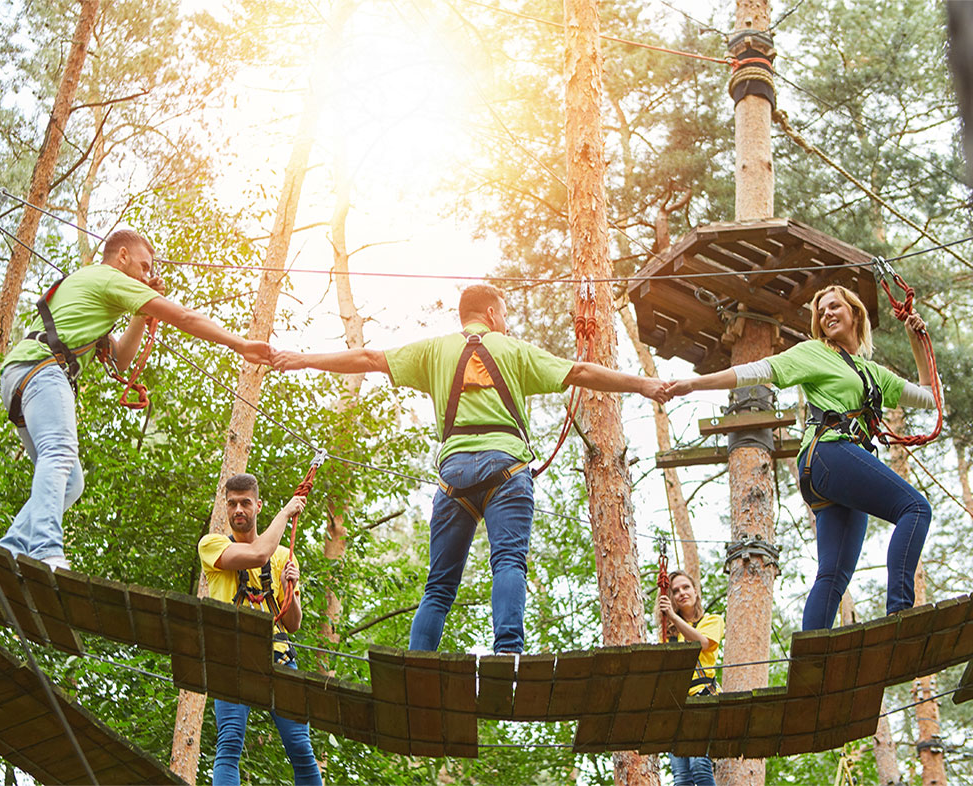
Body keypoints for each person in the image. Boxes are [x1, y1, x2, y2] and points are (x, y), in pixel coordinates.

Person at [273, 283, 669, 653]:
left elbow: (369, 358)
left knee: (439, 587)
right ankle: (508, 653)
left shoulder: (434, 350)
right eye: (506, 317)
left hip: (453, 476)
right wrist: (643, 385)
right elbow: (580, 372)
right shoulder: (514, 350)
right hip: (507, 470)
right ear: (493, 314)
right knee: (508, 562)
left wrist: (300, 359)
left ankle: (417, 663)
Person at [0, 230, 273, 569]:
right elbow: (184, 317)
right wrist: (240, 344)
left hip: (22, 375)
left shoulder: (93, 288)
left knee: (71, 482)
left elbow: (121, 358)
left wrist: (140, 315)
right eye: (144, 267)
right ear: (122, 256)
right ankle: (44, 548)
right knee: (60, 452)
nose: (147, 276)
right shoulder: (109, 276)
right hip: (42, 370)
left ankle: (11, 547)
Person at [666, 284, 938, 629]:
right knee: (915, 508)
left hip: (835, 468)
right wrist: (696, 384)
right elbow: (759, 370)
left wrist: (916, 340)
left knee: (833, 575)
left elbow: (930, 397)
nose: (826, 314)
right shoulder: (815, 352)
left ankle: (810, 663)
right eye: (821, 312)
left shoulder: (875, 374)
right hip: (829, 453)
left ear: (855, 313)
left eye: (834, 306)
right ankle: (900, 614)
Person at [198, 473, 321, 786]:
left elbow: (292, 624)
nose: (239, 509)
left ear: (257, 506)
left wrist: (288, 591)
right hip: (232, 658)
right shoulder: (211, 546)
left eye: (245, 503)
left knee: (301, 749)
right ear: (226, 509)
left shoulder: (283, 558)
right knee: (229, 744)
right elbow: (257, 555)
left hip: (278, 657)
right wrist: (285, 513)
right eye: (233, 504)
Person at [658, 569, 723, 786]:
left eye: (686, 587)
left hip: (703, 698)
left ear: (696, 591)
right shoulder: (669, 636)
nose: (681, 593)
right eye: (675, 591)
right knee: (681, 775)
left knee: (699, 765)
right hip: (677, 705)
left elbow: (702, 643)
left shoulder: (711, 621)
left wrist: (673, 617)